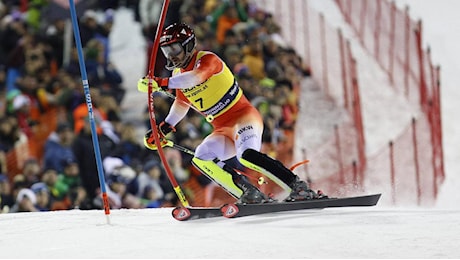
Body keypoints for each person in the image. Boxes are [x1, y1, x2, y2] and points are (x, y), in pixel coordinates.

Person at [138, 23, 325, 204]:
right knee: (202, 156)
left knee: (247, 155)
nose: (172, 56)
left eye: (175, 49)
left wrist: (159, 82)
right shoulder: (177, 74)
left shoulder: (207, 60)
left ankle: (298, 187)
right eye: (167, 52)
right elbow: (182, 103)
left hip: (243, 119)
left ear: (188, 46)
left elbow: (195, 79)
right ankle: (248, 193)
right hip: (222, 129)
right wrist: (163, 128)